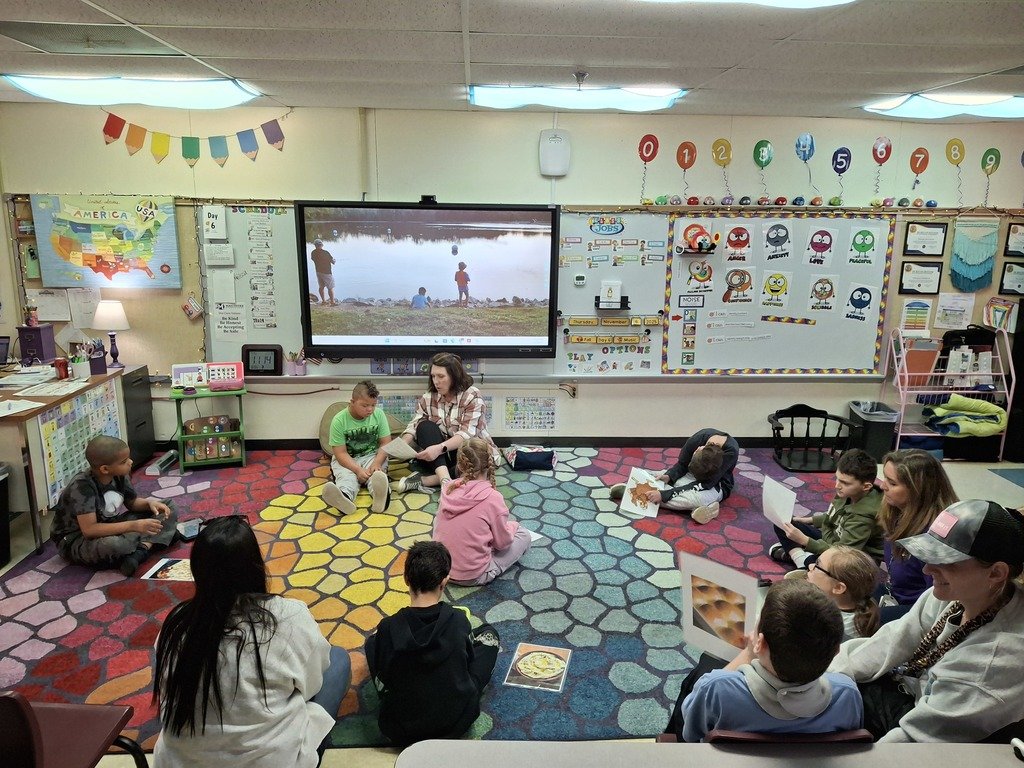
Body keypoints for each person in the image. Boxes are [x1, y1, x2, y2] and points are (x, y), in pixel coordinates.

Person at [153, 516, 351, 768]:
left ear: (196, 570)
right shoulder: (287, 616)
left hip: (180, 762)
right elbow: (312, 684)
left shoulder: (177, 622)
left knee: (164, 651)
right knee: (338, 660)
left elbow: (168, 690)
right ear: (255, 565)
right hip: (271, 760)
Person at [829, 499, 1024, 742]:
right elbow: (893, 640)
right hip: (912, 693)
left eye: (945, 561)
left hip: (930, 740)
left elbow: (916, 742)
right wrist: (829, 674)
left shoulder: (996, 659)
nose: (927, 570)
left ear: (996, 573)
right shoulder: (959, 594)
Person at [666, 579, 862, 742]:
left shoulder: (716, 688)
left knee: (705, 663)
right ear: (837, 650)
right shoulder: (847, 693)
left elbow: (690, 736)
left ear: (760, 642)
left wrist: (748, 653)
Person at [365, 540, 499, 747]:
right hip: (455, 723)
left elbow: (384, 671)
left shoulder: (388, 627)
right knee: (489, 635)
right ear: (444, 582)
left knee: (373, 643)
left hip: (400, 729)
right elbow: (467, 663)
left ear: (406, 579)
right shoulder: (457, 621)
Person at [50, 435, 177, 576]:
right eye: (124, 461)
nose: (130, 462)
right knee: (115, 545)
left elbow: (132, 503)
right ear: (105, 469)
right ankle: (154, 541)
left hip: (109, 524)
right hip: (77, 540)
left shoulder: (120, 474)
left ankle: (140, 551)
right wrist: (135, 526)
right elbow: (90, 530)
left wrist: (150, 503)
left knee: (168, 506)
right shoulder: (82, 487)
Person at [432, 438, 531, 585]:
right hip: (474, 575)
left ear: (459, 465)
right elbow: (502, 544)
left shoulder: (448, 488)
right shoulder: (493, 497)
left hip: (441, 570)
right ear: (489, 463)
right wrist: (513, 527)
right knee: (524, 535)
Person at [397, 352, 499, 493]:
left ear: (454, 376)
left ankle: (426, 480)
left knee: (475, 461)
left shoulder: (471, 395)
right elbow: (414, 426)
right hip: (443, 456)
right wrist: (401, 445)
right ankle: (445, 480)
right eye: (433, 376)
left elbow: (466, 434)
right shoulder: (428, 397)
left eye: (441, 376)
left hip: (466, 452)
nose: (436, 381)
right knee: (425, 426)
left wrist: (439, 448)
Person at [876, 449, 958, 622]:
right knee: (847, 587)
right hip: (894, 593)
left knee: (864, 620)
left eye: (892, 482)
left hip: (920, 610)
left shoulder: (936, 538)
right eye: (885, 478)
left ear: (917, 490)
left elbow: (940, 605)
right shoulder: (897, 514)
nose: (883, 486)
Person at [769, 448, 884, 569]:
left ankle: (802, 559)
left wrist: (804, 540)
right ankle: (802, 558)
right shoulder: (848, 492)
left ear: (866, 486)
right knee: (783, 522)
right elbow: (835, 514)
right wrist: (809, 520)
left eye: (845, 483)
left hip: (852, 558)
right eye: (837, 478)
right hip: (832, 539)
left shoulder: (864, 516)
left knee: (813, 562)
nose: (837, 486)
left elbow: (843, 554)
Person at [610, 428, 738, 524]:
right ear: (697, 449)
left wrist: (665, 494)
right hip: (689, 475)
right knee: (655, 475)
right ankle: (699, 508)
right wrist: (669, 476)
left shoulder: (729, 452)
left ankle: (638, 494)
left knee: (696, 498)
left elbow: (705, 483)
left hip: (714, 484)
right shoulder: (696, 441)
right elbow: (681, 466)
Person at [321, 380, 392, 515]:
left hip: (372, 456)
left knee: (378, 476)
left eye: (373, 405)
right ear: (352, 402)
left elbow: (385, 443)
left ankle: (381, 497)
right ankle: (344, 498)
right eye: (365, 405)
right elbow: (340, 453)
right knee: (346, 478)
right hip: (347, 459)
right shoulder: (339, 420)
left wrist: (377, 463)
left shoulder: (379, 415)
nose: (370, 409)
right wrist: (357, 470)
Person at [807, 545, 881, 640]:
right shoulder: (864, 605)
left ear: (838, 587)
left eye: (817, 566)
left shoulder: (828, 626)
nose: (810, 566)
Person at [310, 238, 336, 306]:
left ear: (315, 245)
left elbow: (313, 259)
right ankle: (332, 302)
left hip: (318, 272)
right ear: (321, 245)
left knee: (321, 286)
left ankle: (324, 301)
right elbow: (332, 262)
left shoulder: (313, 253)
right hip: (326, 272)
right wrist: (334, 260)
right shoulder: (325, 253)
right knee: (330, 287)